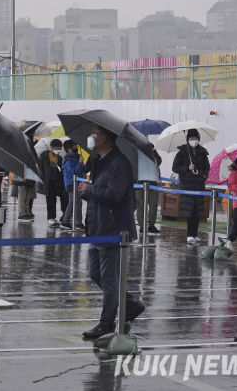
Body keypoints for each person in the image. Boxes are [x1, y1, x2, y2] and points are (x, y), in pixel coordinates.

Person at [78, 124, 145, 339]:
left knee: (108, 279)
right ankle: (131, 304)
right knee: (95, 273)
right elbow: (99, 192)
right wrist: (87, 191)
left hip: (113, 229)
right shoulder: (99, 161)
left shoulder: (119, 163)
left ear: (103, 138)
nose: (90, 138)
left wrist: (90, 190)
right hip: (97, 226)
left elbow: (114, 194)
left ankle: (106, 324)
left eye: (93, 135)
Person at [172, 129, 210, 243]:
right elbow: (175, 167)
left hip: (199, 186)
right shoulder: (182, 152)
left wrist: (203, 176)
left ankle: (195, 233)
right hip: (187, 186)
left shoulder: (203, 152)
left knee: (198, 211)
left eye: (196, 139)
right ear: (188, 140)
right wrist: (187, 168)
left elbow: (207, 167)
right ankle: (189, 234)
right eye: (191, 139)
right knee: (189, 210)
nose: (194, 141)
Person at [39, 139, 67, 227]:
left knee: (55, 199)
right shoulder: (44, 155)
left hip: (56, 181)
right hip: (48, 181)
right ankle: (50, 218)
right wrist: (43, 180)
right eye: (57, 148)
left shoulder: (59, 158)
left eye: (60, 148)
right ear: (52, 147)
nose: (59, 150)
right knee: (50, 199)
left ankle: (54, 217)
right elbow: (40, 168)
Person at [136, 147, 163, 235]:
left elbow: (159, 161)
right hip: (140, 182)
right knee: (141, 205)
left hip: (152, 181)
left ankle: (151, 225)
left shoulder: (152, 150)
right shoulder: (137, 151)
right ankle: (142, 226)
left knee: (153, 204)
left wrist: (153, 153)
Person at [62, 139, 86, 230]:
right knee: (77, 203)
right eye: (73, 146)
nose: (76, 148)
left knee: (73, 203)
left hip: (78, 182)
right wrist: (80, 163)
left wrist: (83, 165)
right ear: (68, 149)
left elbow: (81, 171)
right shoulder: (67, 160)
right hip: (71, 183)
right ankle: (79, 223)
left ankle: (65, 222)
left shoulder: (78, 157)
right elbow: (74, 171)